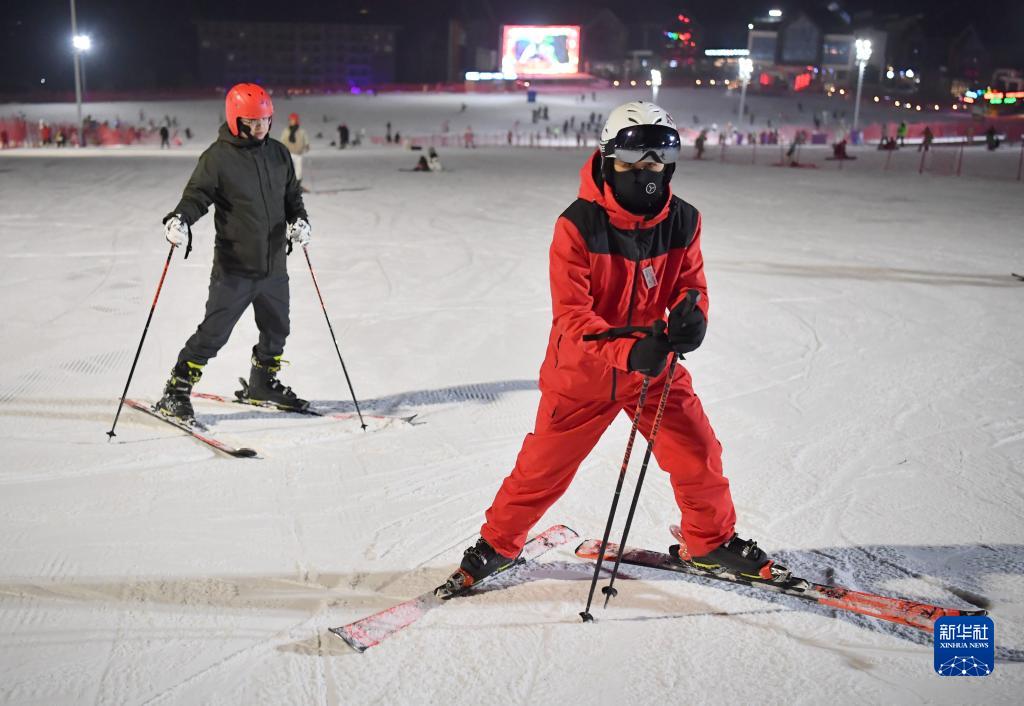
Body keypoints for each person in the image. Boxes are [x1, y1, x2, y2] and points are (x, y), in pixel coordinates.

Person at [440, 100, 785, 594]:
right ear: (607, 159)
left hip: (653, 367)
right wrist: (629, 351)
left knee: (697, 451)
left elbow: (690, 282)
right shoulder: (578, 225)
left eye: (656, 161)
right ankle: (498, 544)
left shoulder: (683, 220)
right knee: (542, 470)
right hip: (583, 372)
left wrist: (692, 315)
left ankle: (710, 543)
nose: (645, 172)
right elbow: (573, 314)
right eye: (631, 160)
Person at [155, 83, 311, 423]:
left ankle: (262, 384)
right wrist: (181, 218)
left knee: (277, 329)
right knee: (214, 332)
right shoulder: (218, 157)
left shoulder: (279, 153)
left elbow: (293, 198)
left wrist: (300, 221)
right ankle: (176, 390)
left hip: (273, 265)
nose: (260, 129)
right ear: (234, 119)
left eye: (265, 121)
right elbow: (197, 194)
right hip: (235, 266)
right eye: (252, 123)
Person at [280, 112, 310, 191]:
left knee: (298, 170)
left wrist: (307, 145)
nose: (291, 121)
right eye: (290, 120)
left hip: (298, 153)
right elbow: (282, 140)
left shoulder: (301, 131)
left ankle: (297, 185)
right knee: (289, 169)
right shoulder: (286, 131)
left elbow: (305, 138)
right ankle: (288, 185)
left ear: (296, 121)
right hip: (289, 153)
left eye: (292, 120)